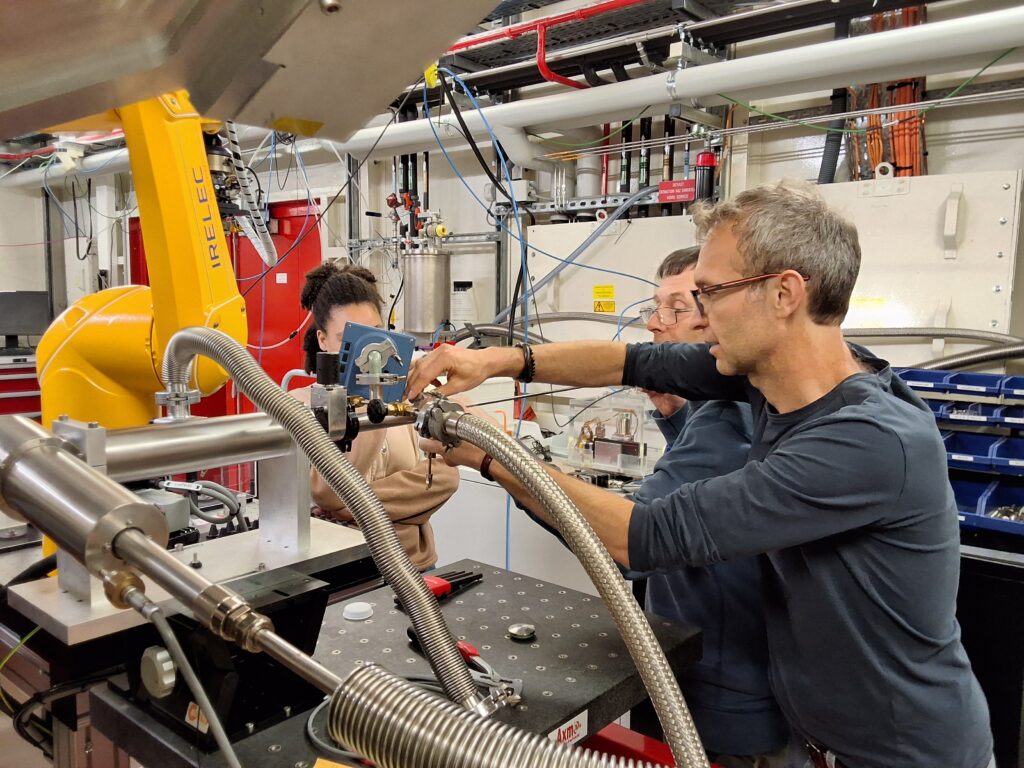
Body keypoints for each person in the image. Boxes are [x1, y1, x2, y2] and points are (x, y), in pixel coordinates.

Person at [407, 180, 994, 768]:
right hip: (811, 737)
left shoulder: (866, 440)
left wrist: (489, 453)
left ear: (784, 293)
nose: (702, 313)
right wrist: (492, 360)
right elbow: (630, 360)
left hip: (901, 755)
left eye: (712, 291)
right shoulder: (770, 376)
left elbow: (650, 536)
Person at [627, 246, 788, 768]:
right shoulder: (720, 411)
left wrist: (499, 458)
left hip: (718, 694)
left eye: (676, 308)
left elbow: (635, 543)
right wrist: (675, 417)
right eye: (656, 308)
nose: (656, 325)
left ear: (715, 321)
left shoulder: (727, 416)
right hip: (707, 674)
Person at [293, 262, 458, 571]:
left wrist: (349, 507)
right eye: (349, 339)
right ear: (323, 340)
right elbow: (327, 492)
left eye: (374, 336)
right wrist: (404, 505)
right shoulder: (299, 407)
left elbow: (445, 476)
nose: (370, 355)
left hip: (416, 565)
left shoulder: (405, 399)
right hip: (346, 570)